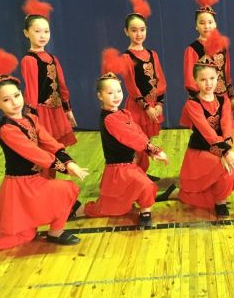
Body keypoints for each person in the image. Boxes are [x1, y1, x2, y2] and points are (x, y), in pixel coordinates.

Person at [0, 48, 88, 266]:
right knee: (26, 232)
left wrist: (69, 161)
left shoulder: (31, 119)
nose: (14, 102)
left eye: (17, 96)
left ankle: (54, 232)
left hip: (35, 181)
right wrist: (65, 168)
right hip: (20, 187)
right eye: (6, 99)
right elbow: (36, 154)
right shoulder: (7, 129)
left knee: (63, 195)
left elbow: (49, 141)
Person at [72, 72, 168, 227]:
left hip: (129, 166)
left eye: (119, 91)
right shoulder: (110, 119)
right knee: (110, 209)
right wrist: (154, 149)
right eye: (110, 93)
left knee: (146, 186)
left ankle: (145, 212)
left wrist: (149, 151)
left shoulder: (123, 113)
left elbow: (137, 132)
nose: (116, 96)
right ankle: (78, 209)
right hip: (118, 170)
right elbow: (130, 136)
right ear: (100, 96)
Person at [178, 55, 234, 217]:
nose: (208, 83)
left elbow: (227, 126)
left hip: (221, 146)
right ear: (195, 80)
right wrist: (225, 152)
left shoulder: (223, 100)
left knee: (230, 167)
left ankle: (220, 201)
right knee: (225, 166)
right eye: (203, 79)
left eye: (212, 78)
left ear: (218, 77)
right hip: (201, 150)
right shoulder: (192, 104)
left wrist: (226, 150)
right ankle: (215, 199)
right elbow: (207, 133)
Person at [20, 0, 77, 154]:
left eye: (46, 31)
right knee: (45, 148)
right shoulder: (29, 60)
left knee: (58, 149)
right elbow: (31, 90)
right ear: (26, 33)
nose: (42, 35)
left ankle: (55, 171)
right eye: (37, 31)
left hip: (57, 110)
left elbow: (62, 86)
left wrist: (67, 109)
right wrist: (32, 116)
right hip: (41, 112)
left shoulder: (52, 58)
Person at [121, 0, 167, 179]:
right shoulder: (127, 57)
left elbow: (160, 79)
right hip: (138, 107)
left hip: (153, 105)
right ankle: (134, 176)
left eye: (142, 29)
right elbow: (131, 85)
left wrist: (159, 103)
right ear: (126, 31)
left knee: (146, 141)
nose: (139, 34)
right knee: (137, 143)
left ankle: (143, 174)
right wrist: (146, 106)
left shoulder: (152, 54)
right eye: (134, 30)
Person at [183, 0, 234, 112]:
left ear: (215, 24)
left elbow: (226, 73)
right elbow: (190, 79)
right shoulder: (193, 49)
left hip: (223, 97)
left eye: (210, 22)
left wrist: (231, 96)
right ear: (196, 26)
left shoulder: (222, 45)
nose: (206, 26)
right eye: (202, 23)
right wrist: (198, 102)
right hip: (203, 100)